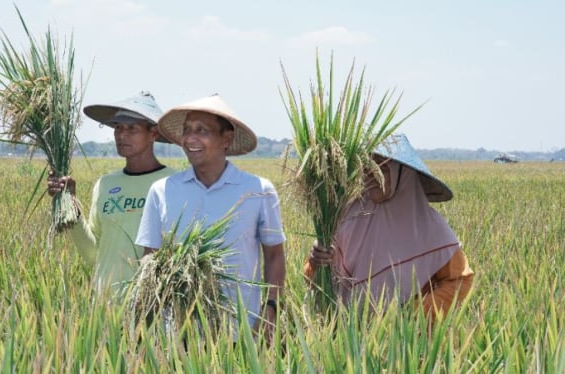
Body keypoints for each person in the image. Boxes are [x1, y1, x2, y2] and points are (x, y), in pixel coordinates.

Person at [135, 94, 286, 340]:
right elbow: (150, 260)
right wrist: (144, 318)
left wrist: (271, 310)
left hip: (242, 330)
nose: (190, 139)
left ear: (226, 139)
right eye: (187, 130)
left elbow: (274, 256)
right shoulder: (162, 191)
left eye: (201, 130)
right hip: (177, 332)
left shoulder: (258, 191)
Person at [304, 133, 474, 325]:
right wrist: (315, 261)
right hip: (347, 337)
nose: (370, 176)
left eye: (381, 169)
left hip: (408, 344)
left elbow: (460, 282)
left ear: (403, 174)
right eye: (366, 168)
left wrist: (409, 318)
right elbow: (313, 279)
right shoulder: (348, 216)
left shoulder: (429, 227)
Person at [47, 91, 176, 294]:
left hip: (153, 305)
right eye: (118, 127)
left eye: (132, 129)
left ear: (153, 133)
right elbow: (93, 254)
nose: (122, 135)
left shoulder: (173, 184)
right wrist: (71, 206)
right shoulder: (105, 185)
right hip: (106, 305)